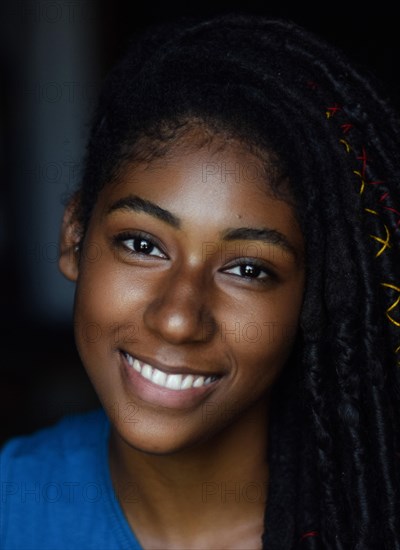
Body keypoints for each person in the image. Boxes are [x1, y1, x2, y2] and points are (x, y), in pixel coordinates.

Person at [1, 13, 400, 550]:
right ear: (74, 237)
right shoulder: (12, 503)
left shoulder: (370, 525)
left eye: (248, 270)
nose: (178, 318)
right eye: (143, 245)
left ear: (314, 299)